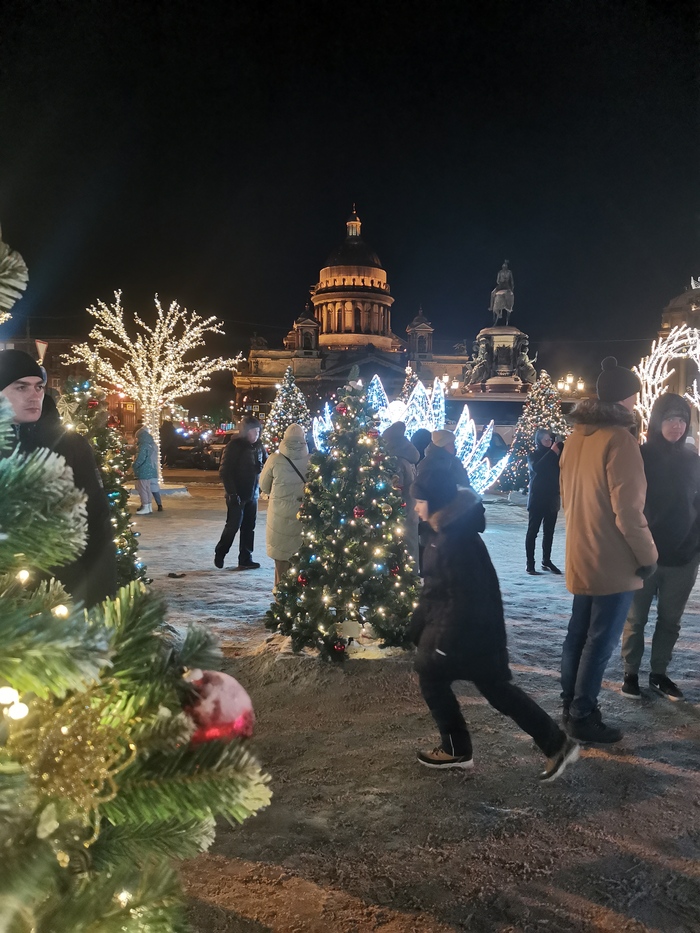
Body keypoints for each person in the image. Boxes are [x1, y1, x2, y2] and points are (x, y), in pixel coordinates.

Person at [409, 467, 579, 783]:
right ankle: (554, 743)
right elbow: (433, 589)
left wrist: (441, 644)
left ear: (436, 502)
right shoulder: (443, 532)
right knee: (495, 690)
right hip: (471, 633)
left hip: (470, 635)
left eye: (420, 501)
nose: (416, 507)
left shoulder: (455, 541)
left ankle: (459, 749)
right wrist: (417, 625)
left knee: (435, 678)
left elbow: (461, 599)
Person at [559, 357, 658, 743]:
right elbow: (629, 512)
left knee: (577, 633)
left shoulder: (577, 436)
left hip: (581, 550)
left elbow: (567, 498)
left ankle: (569, 704)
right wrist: (648, 557)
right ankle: (583, 714)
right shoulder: (620, 440)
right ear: (626, 397)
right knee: (600, 640)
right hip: (613, 560)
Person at [0, 350, 117, 607]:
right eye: (21, 387)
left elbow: (97, 521)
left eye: (39, 387)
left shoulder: (70, 445)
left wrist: (100, 596)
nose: (34, 395)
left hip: (63, 594)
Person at [620, 393, 700, 701]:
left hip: (683, 558)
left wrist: (695, 546)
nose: (677, 425)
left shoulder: (693, 461)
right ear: (657, 421)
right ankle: (630, 672)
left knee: (670, 620)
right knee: (635, 619)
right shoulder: (640, 456)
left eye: (682, 419)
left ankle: (658, 673)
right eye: (670, 419)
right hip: (644, 556)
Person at [259, 423, 309, 588]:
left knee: (281, 566)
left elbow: (264, 486)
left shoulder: (275, 459)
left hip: (279, 519)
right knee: (302, 567)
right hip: (303, 517)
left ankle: (281, 598)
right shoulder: (311, 461)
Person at [214, 415, 266, 570]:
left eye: (258, 432)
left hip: (252, 494)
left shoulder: (259, 446)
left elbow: (267, 463)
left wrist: (262, 468)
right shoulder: (234, 446)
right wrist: (232, 493)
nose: (256, 435)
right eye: (253, 431)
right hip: (237, 494)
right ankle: (221, 552)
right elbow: (225, 472)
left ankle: (245, 558)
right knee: (233, 526)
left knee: (249, 528)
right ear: (246, 431)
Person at [381, 421, 420, 568]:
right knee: (411, 548)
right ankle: (413, 576)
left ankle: (408, 577)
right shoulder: (408, 458)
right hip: (412, 510)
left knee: (404, 550)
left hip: (402, 513)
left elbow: (396, 490)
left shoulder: (396, 462)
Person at [525, 429, 563, 575]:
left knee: (549, 532)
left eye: (550, 440)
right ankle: (530, 563)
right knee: (533, 531)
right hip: (537, 499)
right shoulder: (533, 455)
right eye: (546, 440)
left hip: (552, 498)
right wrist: (552, 452)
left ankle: (546, 560)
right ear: (539, 441)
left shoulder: (556, 456)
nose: (549, 442)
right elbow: (538, 468)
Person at [132, 423, 162, 514]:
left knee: (142, 490)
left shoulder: (143, 445)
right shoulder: (151, 444)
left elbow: (140, 458)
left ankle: (145, 506)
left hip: (143, 471)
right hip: (150, 470)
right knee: (148, 489)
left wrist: (134, 465)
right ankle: (148, 506)